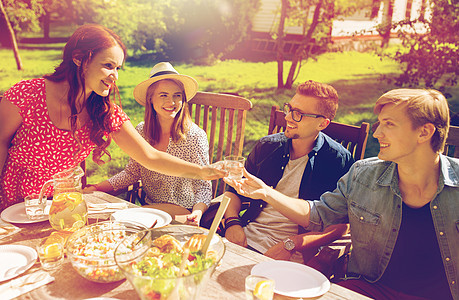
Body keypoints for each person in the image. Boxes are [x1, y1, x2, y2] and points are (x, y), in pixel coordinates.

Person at [225, 89, 457, 300]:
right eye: (379, 123)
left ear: (424, 132)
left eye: (389, 124)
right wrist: (266, 192)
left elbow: (337, 229)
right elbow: (319, 214)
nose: (377, 133)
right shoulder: (362, 175)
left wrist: (296, 245)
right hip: (368, 289)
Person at [0, 24, 224, 211]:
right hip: (13, 205)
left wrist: (203, 171)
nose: (114, 76)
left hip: (62, 207)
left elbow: (150, 157)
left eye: (118, 68)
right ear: (79, 59)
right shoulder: (27, 94)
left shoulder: (105, 112)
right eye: (108, 66)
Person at [223, 80, 354, 264]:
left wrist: (294, 244)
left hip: (292, 255)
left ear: (322, 124)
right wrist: (232, 223)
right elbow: (233, 191)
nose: (288, 117)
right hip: (244, 239)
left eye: (299, 114)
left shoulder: (338, 161)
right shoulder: (267, 146)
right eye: (290, 109)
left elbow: (343, 225)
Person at [87, 62, 212, 226]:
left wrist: (197, 212)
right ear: (150, 99)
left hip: (183, 213)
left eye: (177, 95)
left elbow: (204, 186)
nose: (171, 102)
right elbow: (132, 173)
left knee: (119, 222)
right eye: (163, 95)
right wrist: (97, 188)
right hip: (150, 210)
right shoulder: (141, 131)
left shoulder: (195, 136)